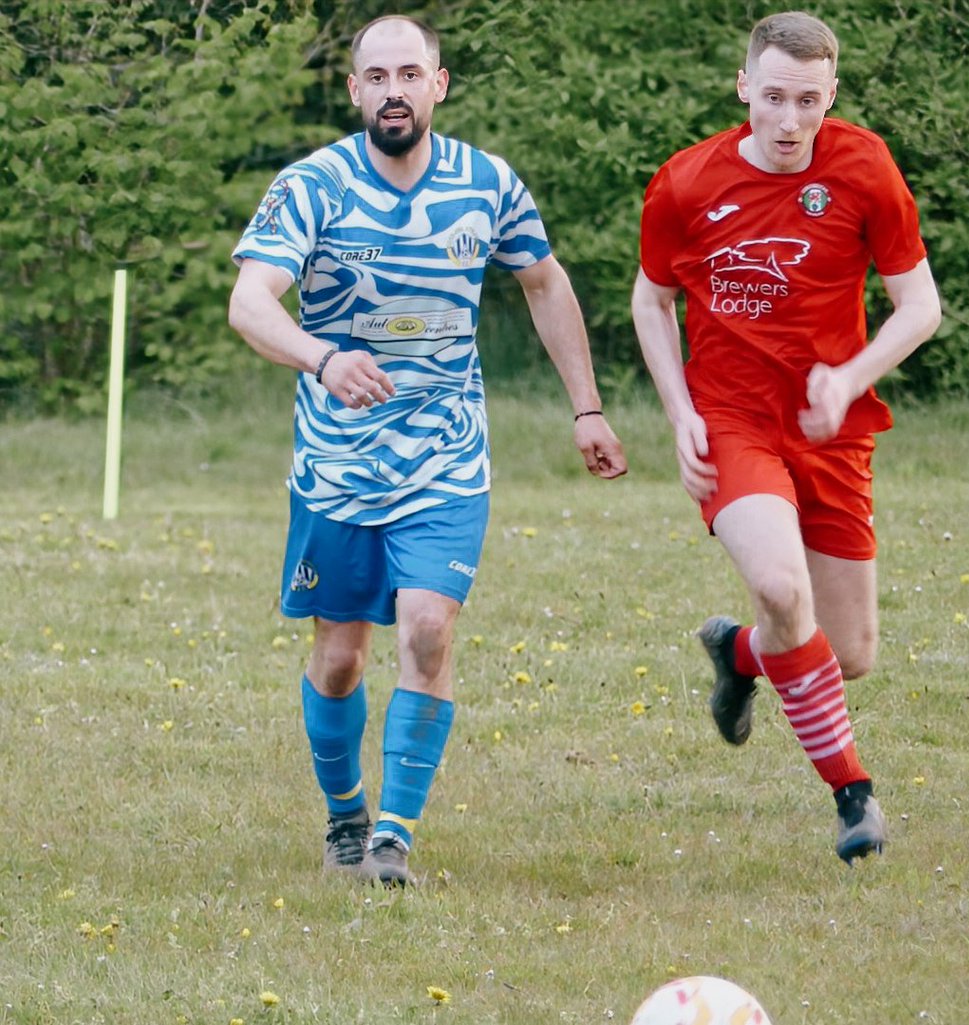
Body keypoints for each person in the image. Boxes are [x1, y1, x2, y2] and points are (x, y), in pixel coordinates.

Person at [228, 14, 626, 887]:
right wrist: (322, 357)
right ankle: (345, 816)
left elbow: (544, 281)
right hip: (337, 465)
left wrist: (586, 407)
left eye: (412, 73)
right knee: (339, 657)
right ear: (356, 91)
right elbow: (250, 302)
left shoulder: (486, 184)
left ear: (438, 85)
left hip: (446, 457)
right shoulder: (314, 185)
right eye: (378, 76)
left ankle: (394, 837)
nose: (395, 90)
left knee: (427, 629)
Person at [631, 11, 941, 863]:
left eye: (808, 101)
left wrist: (849, 377)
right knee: (779, 586)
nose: (790, 121)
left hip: (831, 428)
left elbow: (921, 306)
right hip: (732, 421)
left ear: (831, 93)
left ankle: (737, 655)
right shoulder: (686, 185)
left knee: (849, 652)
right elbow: (650, 302)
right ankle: (856, 799)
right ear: (744, 90)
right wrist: (680, 411)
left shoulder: (865, 166)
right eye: (773, 98)